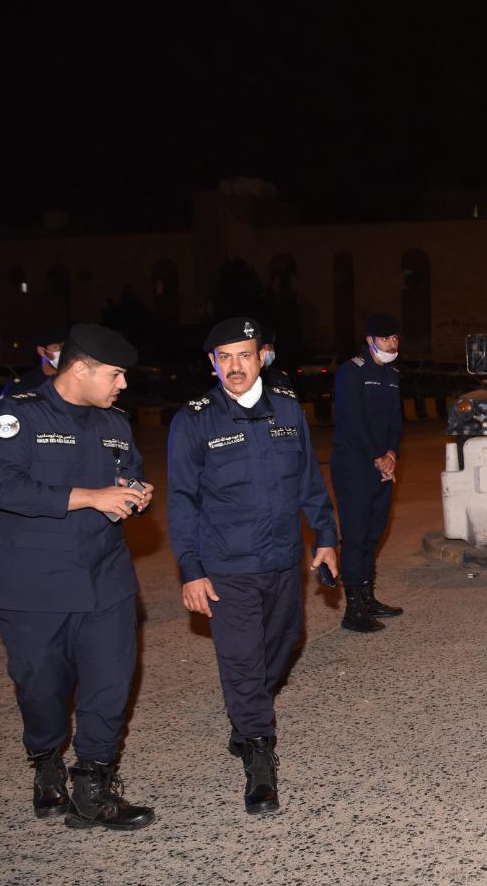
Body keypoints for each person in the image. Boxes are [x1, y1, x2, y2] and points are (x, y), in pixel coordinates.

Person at [0, 323, 157, 830]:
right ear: (80, 369)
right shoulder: (16, 417)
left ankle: (92, 788)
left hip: (106, 578)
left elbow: (129, 472)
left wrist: (135, 492)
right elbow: (7, 488)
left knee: (110, 686)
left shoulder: (115, 422)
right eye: (115, 374)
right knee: (41, 689)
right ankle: (46, 761)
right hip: (35, 585)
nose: (123, 384)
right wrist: (92, 496)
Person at [169, 317, 339, 815]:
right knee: (242, 659)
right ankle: (259, 757)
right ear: (212, 363)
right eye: (224, 357)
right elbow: (181, 500)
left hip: (283, 559)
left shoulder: (287, 409)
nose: (234, 366)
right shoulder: (195, 419)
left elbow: (309, 481)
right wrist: (190, 568)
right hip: (227, 565)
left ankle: (247, 711)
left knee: (283, 645)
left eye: (244, 355)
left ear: (262, 356)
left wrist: (326, 537)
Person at [331, 312, 404, 633]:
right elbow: (352, 420)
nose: (392, 344)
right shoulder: (351, 372)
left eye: (395, 338)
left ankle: (368, 598)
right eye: (386, 338)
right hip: (354, 466)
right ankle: (353, 609)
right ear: (370, 340)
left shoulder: (392, 375)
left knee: (374, 533)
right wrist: (377, 456)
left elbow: (395, 422)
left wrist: (392, 454)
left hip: (382, 466)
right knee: (355, 536)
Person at [0, 329, 64, 399]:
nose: (63, 352)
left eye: (65, 347)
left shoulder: (70, 380)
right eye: (56, 347)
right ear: (41, 351)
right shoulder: (23, 386)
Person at [259, 326, 294, 392]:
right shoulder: (249, 377)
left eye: (270, 347)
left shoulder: (281, 377)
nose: (269, 351)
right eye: (264, 347)